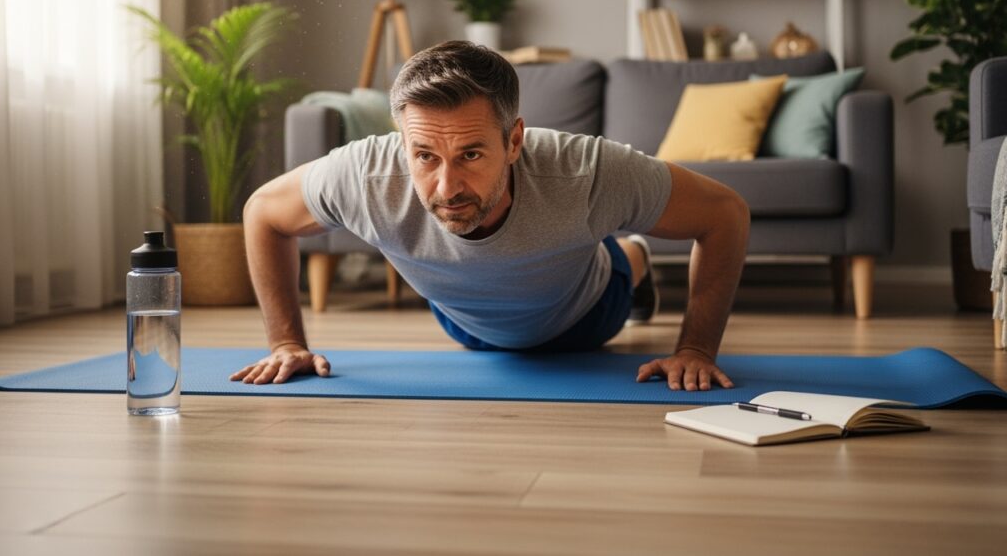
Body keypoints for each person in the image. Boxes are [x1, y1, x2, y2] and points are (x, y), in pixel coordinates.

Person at [231, 41, 749, 391]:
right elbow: (263, 213)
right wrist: (286, 343)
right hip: (466, 324)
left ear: (514, 140)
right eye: (425, 156)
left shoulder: (586, 171)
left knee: (617, 260)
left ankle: (634, 256)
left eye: (472, 154)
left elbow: (725, 213)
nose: (447, 187)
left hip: (587, 314)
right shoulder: (364, 174)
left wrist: (697, 348)